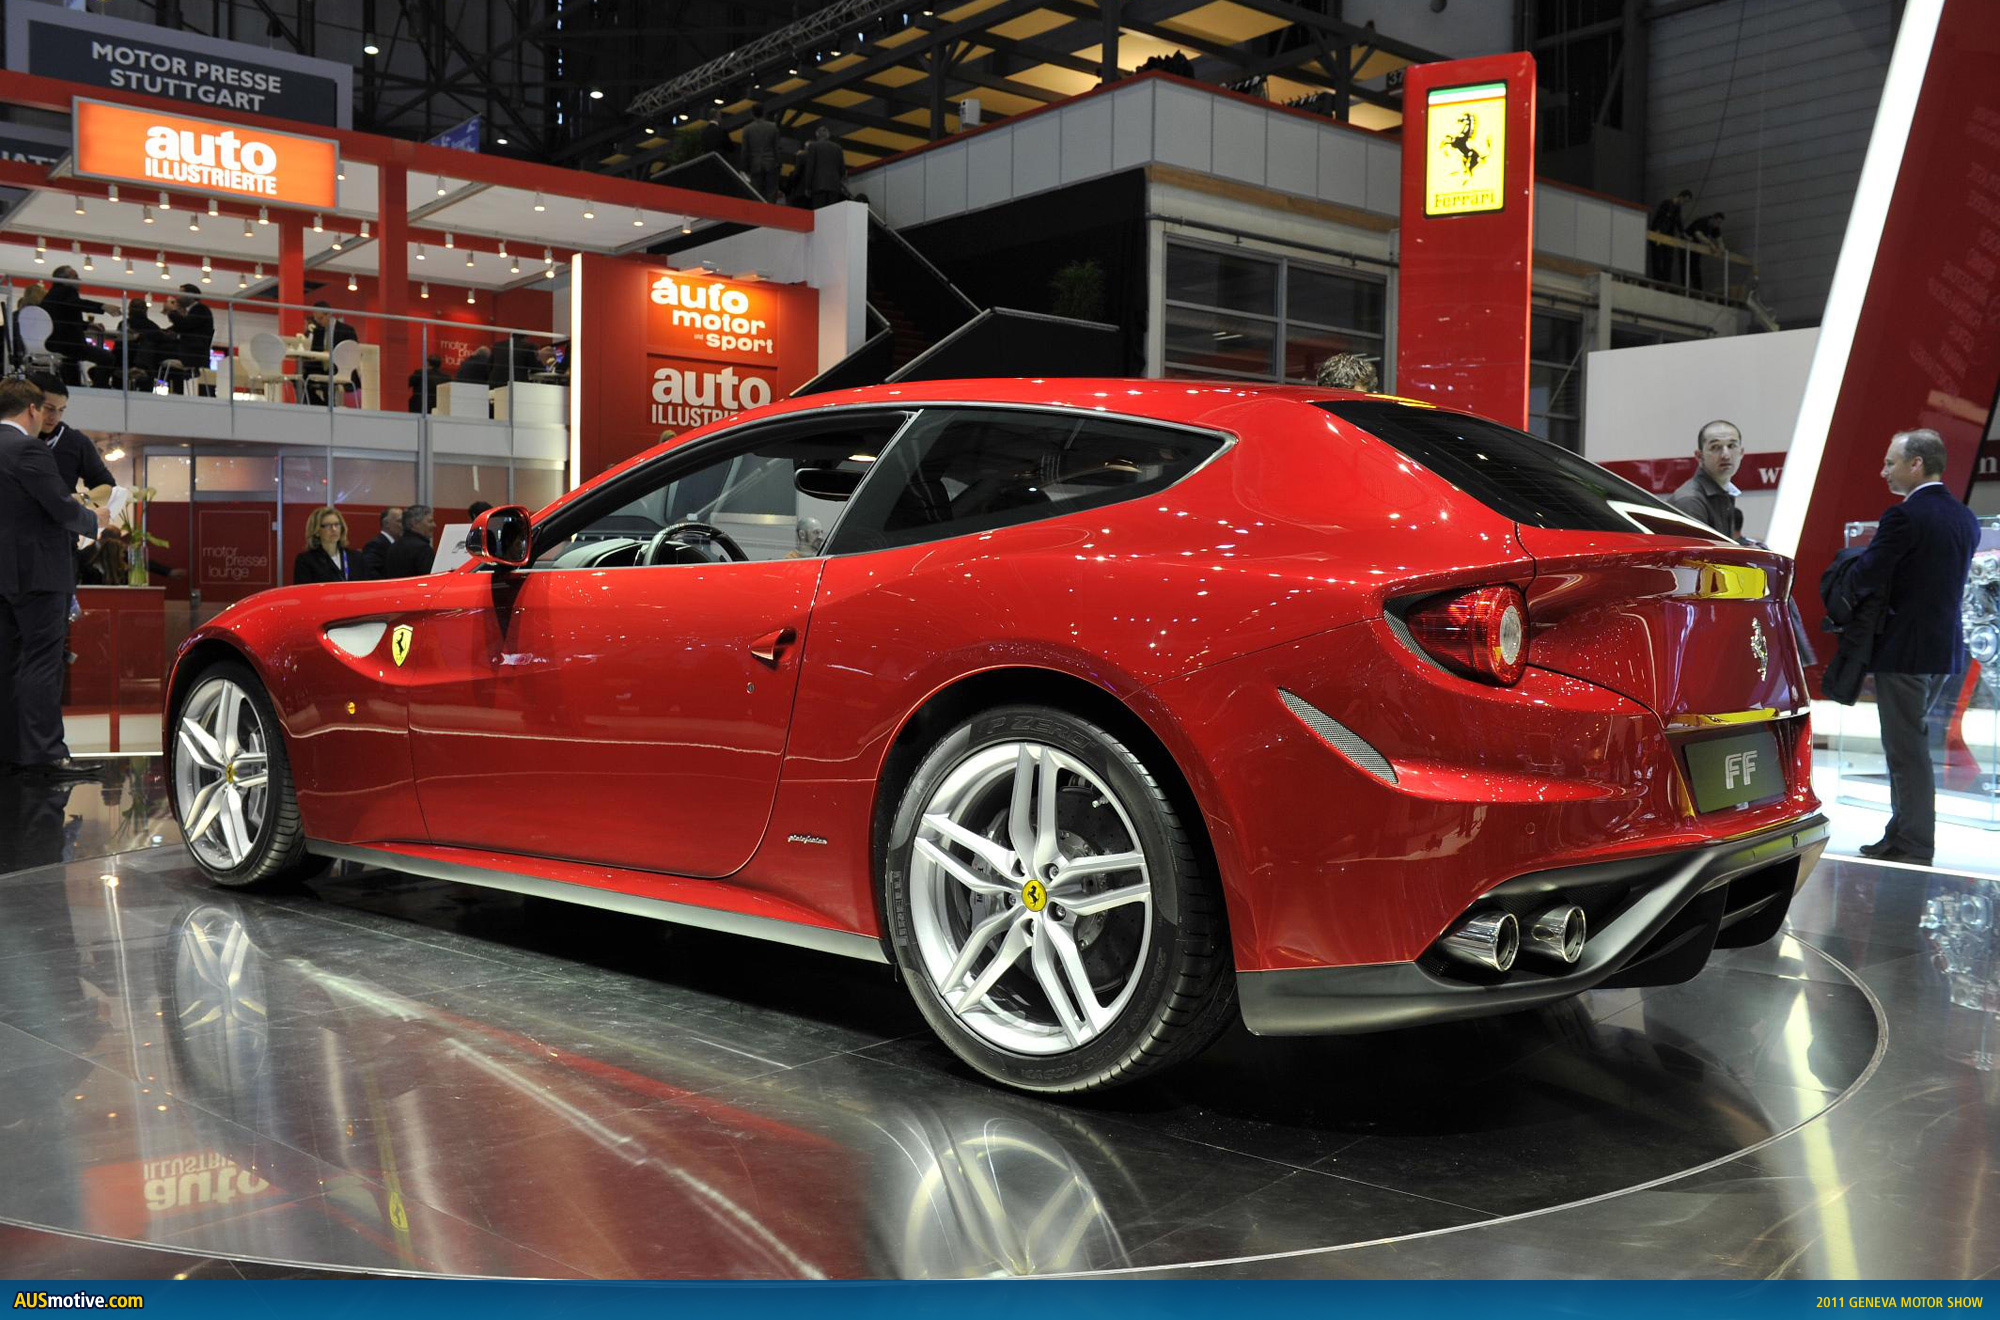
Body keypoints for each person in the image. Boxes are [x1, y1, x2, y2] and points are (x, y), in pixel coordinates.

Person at [1853, 429, 1980, 865]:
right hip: (1944, 650)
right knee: (1909, 745)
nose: (1884, 471)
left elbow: (1868, 573)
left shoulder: (1904, 517)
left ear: (1916, 464)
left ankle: (1914, 842)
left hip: (1905, 650)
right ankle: (1900, 832)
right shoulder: (1964, 517)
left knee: (1906, 749)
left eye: (1891, 462)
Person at [0, 377, 100, 778]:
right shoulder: (28, 449)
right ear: (31, 409)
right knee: (42, 663)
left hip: (6, 577)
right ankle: (43, 756)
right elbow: (61, 507)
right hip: (39, 575)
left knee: (9, 664)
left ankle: (13, 752)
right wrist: (96, 520)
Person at [26, 373, 114, 495]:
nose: (55, 417)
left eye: (61, 410)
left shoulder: (76, 442)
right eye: (49, 408)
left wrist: (82, 499)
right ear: (30, 404)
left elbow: (108, 486)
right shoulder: (9, 436)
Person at [1667, 419, 1745, 539]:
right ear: (1699, 456)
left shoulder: (1723, 492)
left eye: (1731, 446)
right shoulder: (1690, 501)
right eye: (1715, 447)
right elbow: (1696, 551)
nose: (1726, 455)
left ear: (1741, 452)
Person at [40, 267, 113, 386]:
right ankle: (99, 387)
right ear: (65, 280)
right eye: (75, 277)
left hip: (57, 344)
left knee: (72, 374)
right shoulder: (67, 291)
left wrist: (87, 325)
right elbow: (76, 304)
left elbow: (65, 317)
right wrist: (103, 306)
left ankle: (82, 386)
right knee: (107, 358)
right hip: (70, 346)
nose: (79, 280)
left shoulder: (52, 294)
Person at [304, 302, 359, 404]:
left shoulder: (347, 330)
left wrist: (332, 353)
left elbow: (352, 353)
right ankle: (321, 406)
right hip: (321, 368)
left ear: (329, 315)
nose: (318, 322)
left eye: (320, 318)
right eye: (316, 319)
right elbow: (314, 351)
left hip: (339, 369)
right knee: (300, 379)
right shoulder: (318, 331)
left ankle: (325, 406)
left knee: (327, 382)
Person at [164, 285, 215, 390]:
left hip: (192, 352)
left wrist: (172, 311)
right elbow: (182, 327)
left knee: (156, 351)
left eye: (181, 293)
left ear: (191, 296)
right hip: (189, 350)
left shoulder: (200, 309)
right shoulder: (194, 311)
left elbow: (185, 325)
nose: (178, 297)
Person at [293, 505, 357, 584]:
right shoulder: (306, 560)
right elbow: (304, 590)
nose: (334, 529)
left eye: (337, 524)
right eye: (327, 526)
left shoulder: (355, 557)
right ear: (316, 531)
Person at [1647, 189, 1692, 282]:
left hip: (1668, 236)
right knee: (1657, 259)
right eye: (1684, 201)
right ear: (1681, 197)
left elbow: (1679, 223)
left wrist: (1684, 235)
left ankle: (1666, 282)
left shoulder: (1677, 209)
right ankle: (1658, 280)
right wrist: (1657, 231)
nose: (1684, 203)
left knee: (1668, 259)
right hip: (1658, 234)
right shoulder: (1666, 203)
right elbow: (1658, 218)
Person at [740, 104, 781, 200]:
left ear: (752, 114)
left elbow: (745, 150)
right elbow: (776, 148)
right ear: (764, 113)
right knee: (771, 193)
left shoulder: (747, 129)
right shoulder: (773, 127)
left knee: (756, 194)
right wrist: (778, 163)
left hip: (755, 165)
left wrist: (744, 167)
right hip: (771, 164)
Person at [384, 503, 437, 578]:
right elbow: (430, 578)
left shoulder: (393, 547)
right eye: (430, 521)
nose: (434, 525)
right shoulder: (423, 549)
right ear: (414, 523)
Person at [799, 125, 847, 208]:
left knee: (819, 212)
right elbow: (842, 169)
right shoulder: (838, 148)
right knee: (831, 211)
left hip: (818, 186)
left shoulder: (813, 146)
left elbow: (810, 168)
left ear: (817, 135)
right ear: (828, 135)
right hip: (834, 187)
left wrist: (807, 187)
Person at [359, 506, 404, 580]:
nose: (404, 525)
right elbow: (371, 573)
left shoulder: (400, 545)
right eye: (400, 521)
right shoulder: (375, 545)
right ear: (386, 524)